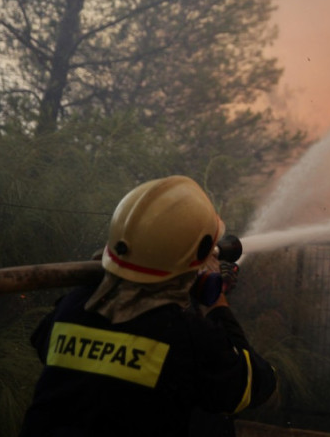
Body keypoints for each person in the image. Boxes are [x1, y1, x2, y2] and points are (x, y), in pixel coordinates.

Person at [19, 176, 277, 437]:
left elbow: (42, 341)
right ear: (195, 258)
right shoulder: (186, 337)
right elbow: (254, 385)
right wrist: (215, 299)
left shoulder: (74, 306)